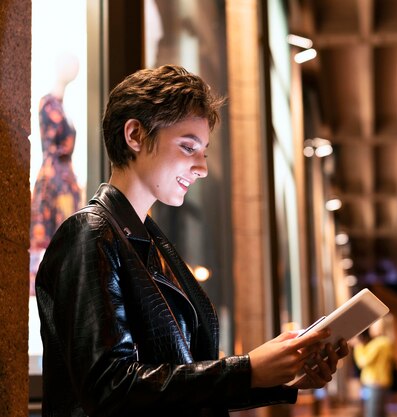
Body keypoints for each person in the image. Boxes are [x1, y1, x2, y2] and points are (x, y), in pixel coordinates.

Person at [35, 64, 349, 417]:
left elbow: (178, 385)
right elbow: (110, 387)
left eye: (204, 152)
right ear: (135, 135)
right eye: (188, 147)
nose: (202, 168)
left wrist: (280, 378)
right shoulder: (90, 234)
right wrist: (248, 370)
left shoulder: (148, 241)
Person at [30, 52, 82, 295]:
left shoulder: (61, 106)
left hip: (65, 179)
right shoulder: (47, 103)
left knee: (66, 236)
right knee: (49, 231)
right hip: (54, 179)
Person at [353, 314, 395, 417]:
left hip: (374, 383)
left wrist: (357, 345)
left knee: (373, 413)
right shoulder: (386, 342)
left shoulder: (380, 342)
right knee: (380, 412)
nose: (372, 326)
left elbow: (362, 361)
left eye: (375, 324)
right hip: (380, 382)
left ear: (383, 327)